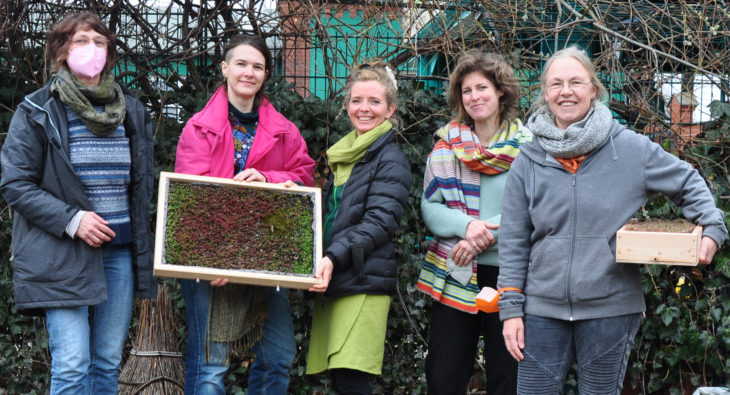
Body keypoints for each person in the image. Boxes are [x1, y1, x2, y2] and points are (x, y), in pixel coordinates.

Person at [497, 46, 728, 394]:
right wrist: (511, 309)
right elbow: (513, 240)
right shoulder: (529, 158)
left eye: (576, 82)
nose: (566, 91)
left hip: (611, 309)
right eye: (556, 83)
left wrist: (711, 227)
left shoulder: (628, 149)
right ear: (545, 92)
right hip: (542, 309)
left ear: (594, 89)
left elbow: (686, 181)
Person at [0, 12, 156, 394]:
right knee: (72, 366)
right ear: (61, 51)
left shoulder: (130, 111)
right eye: (81, 41)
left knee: (105, 365)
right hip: (62, 253)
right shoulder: (37, 110)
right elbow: (15, 183)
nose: (92, 50)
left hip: (118, 254)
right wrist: (73, 219)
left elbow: (140, 188)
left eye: (99, 43)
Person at [174, 33, 315, 394]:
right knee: (210, 368)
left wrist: (269, 177)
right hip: (211, 264)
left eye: (257, 66)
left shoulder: (285, 130)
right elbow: (191, 200)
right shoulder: (198, 128)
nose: (248, 72)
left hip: (266, 261)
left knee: (278, 357)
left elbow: (304, 179)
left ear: (267, 73)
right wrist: (219, 258)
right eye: (241, 63)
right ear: (224, 68)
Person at [415, 50, 531, 395]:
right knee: (444, 376)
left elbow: (532, 209)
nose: (474, 96)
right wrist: (467, 227)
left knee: (507, 378)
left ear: (500, 92)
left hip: (510, 276)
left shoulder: (529, 149)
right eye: (467, 91)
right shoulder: (445, 148)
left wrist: (480, 238)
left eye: (482, 88)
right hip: (457, 272)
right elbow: (429, 208)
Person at [306, 60, 412, 394]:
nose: (364, 108)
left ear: (390, 109)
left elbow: (379, 223)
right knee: (341, 380)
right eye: (356, 101)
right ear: (346, 105)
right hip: (337, 276)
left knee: (352, 379)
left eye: (374, 102)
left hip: (363, 281)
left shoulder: (389, 159)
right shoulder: (346, 153)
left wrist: (332, 257)